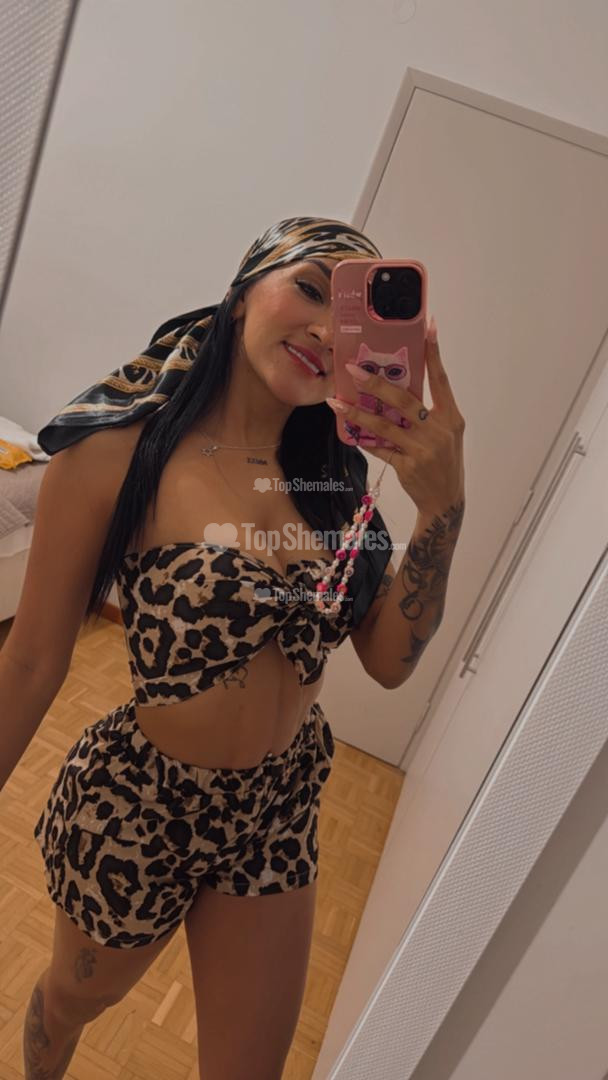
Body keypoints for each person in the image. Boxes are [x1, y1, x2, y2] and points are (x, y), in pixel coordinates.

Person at [10, 216, 407, 1079]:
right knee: (72, 1003)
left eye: (353, 323)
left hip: (276, 806)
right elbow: (32, 663)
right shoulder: (118, 454)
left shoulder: (334, 482)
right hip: (141, 809)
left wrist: (444, 501)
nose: (325, 331)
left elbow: (388, 661)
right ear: (242, 292)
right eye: (310, 289)